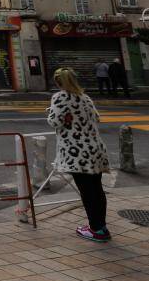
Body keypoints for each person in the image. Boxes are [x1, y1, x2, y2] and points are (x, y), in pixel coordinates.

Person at [46, 68, 111, 242]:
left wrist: (65, 117)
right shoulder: (86, 98)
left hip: (77, 154)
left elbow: (54, 121)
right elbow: (96, 118)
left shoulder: (60, 97)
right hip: (95, 149)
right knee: (97, 189)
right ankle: (101, 226)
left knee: (87, 192)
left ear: (58, 82)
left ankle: (96, 229)